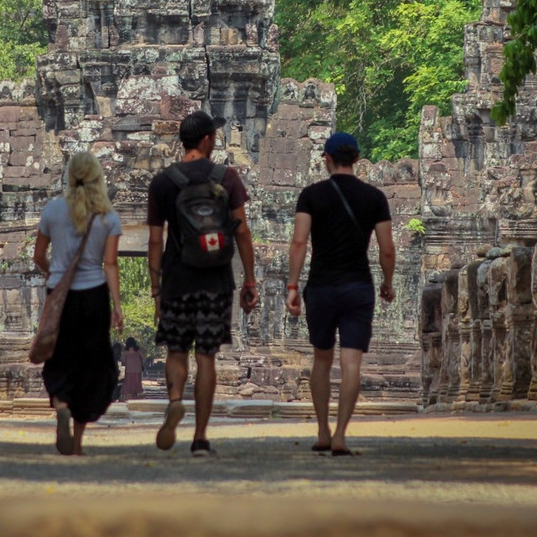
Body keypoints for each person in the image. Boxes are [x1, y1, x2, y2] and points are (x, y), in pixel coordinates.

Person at [147, 110, 258, 457]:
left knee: (176, 349)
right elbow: (241, 230)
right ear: (208, 139)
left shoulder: (164, 182)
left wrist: (156, 287)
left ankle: (176, 400)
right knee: (206, 356)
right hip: (216, 279)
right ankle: (200, 437)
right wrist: (249, 280)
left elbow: (154, 240)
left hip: (177, 279)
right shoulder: (227, 178)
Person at [285, 132, 395, 456]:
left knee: (321, 358)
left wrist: (292, 285)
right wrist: (388, 283)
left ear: (327, 160)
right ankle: (341, 435)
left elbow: (299, 243)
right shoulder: (374, 198)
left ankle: (322, 429)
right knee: (351, 363)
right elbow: (387, 249)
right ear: (357, 160)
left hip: (320, 286)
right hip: (358, 287)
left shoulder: (311, 195)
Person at [33, 151, 124, 456]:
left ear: (70, 176)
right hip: (94, 295)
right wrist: (117, 305)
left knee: (59, 357)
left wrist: (55, 277)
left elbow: (38, 257)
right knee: (91, 366)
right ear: (99, 176)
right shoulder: (108, 216)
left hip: (61, 297)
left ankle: (61, 406)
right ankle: (79, 443)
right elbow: (110, 264)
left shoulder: (53, 210)